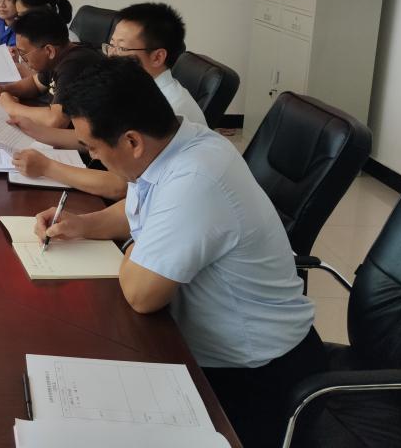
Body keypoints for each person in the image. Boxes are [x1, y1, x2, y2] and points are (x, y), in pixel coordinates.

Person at [34, 57, 324, 448]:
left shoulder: (196, 177)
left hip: (255, 376)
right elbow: (138, 207)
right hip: (205, 345)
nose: (94, 157)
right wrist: (84, 224)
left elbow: (141, 294)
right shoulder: (170, 146)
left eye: (94, 148)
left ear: (132, 141)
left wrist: (140, 241)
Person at [13, 2, 207, 198]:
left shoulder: (168, 106)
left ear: (157, 57)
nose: (110, 56)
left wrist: (47, 167)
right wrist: (35, 131)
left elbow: (121, 186)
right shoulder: (131, 87)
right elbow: (98, 139)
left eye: (121, 48)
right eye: (111, 46)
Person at [0, 9, 102, 130]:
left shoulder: (75, 64)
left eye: (23, 54)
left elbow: (56, 121)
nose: (22, 59)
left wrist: (11, 108)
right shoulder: (58, 56)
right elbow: (35, 83)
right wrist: (2, 89)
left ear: (49, 51)